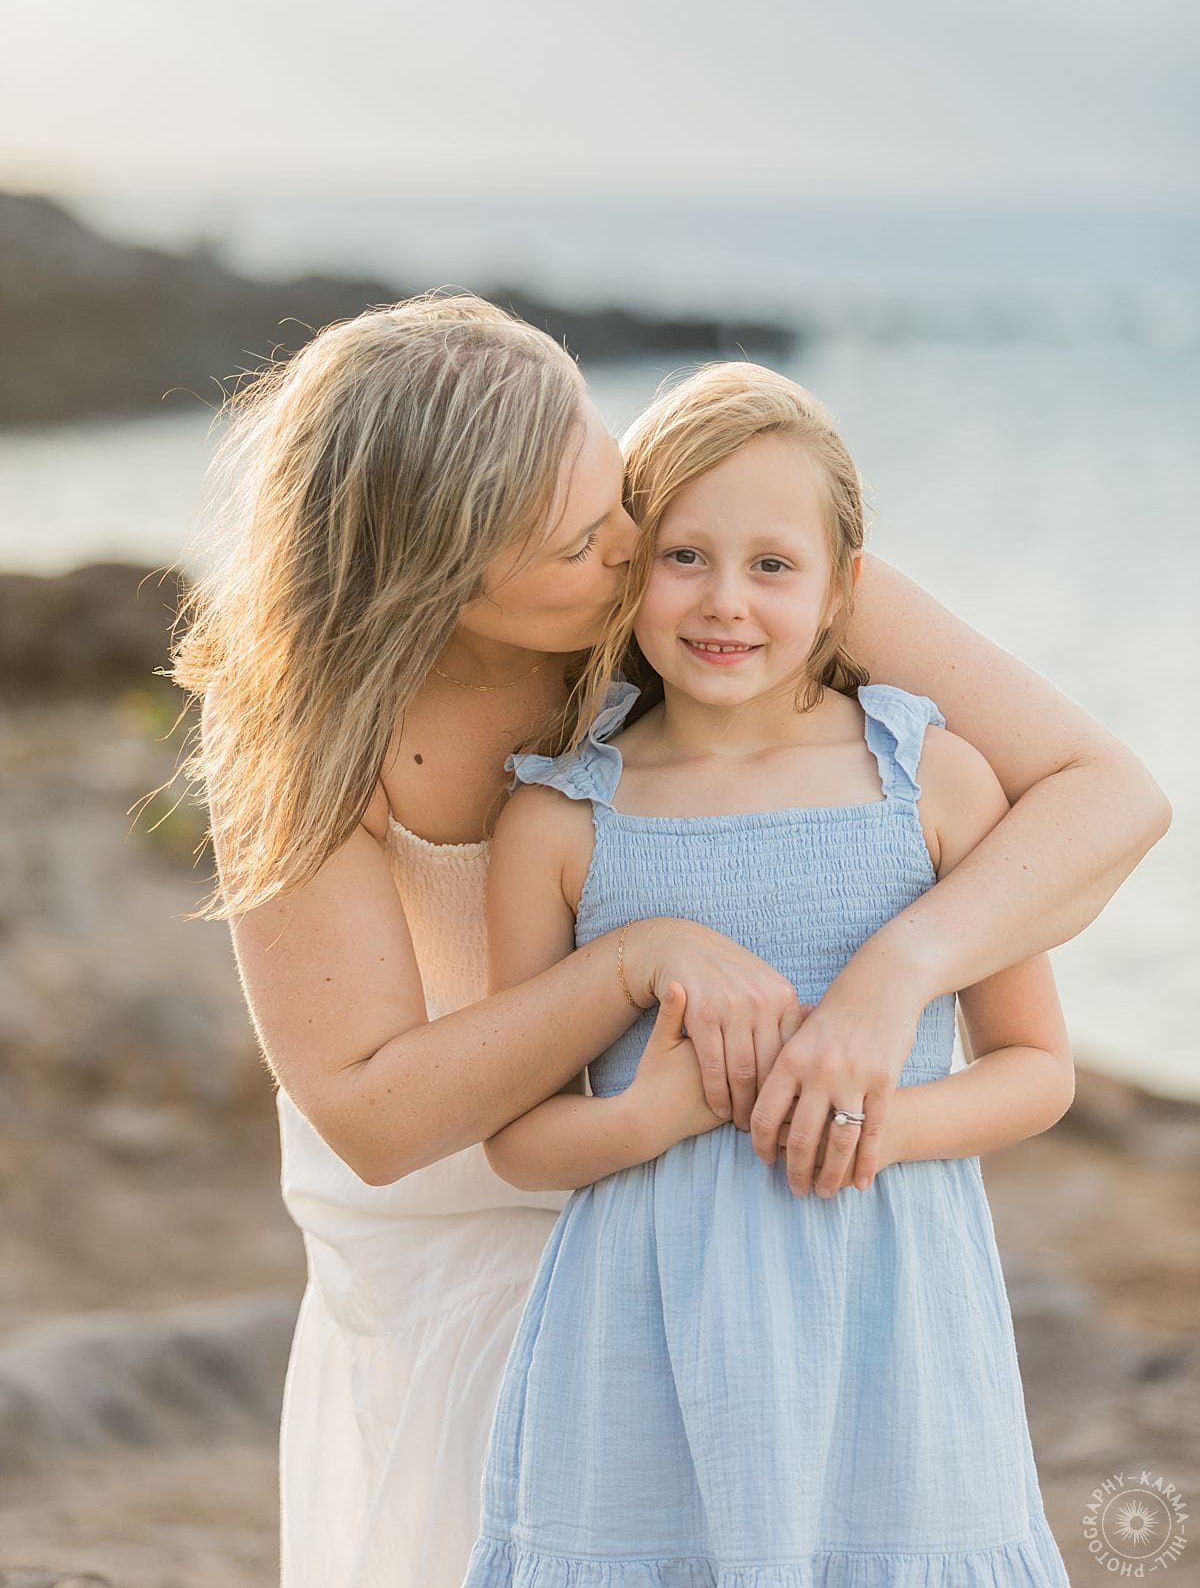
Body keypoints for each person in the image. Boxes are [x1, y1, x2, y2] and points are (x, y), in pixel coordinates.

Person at [170, 294, 1166, 1588]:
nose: (634, 546)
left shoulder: (713, 587)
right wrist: (633, 964)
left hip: (737, 1177)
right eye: (584, 540)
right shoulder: (297, 724)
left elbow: (1108, 801)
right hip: (463, 1208)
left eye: (615, 491)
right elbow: (370, 1111)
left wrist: (897, 974)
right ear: (444, 575)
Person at [464, 362, 1078, 1585]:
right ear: (629, 564)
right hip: (643, 1320)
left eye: (774, 565)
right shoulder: (561, 820)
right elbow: (517, 1137)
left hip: (891, 1308)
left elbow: (1036, 1066)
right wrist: (651, 1113)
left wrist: (876, 1125)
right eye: (684, 556)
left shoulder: (933, 781)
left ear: (844, 586)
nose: (725, 601)